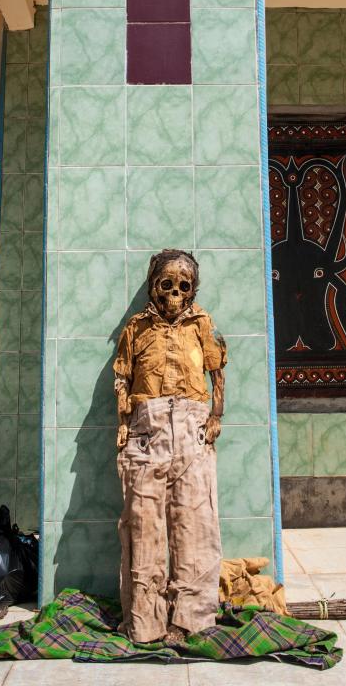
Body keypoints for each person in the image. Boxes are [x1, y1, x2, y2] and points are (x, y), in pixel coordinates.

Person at [114, 249, 226, 645]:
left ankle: (190, 619)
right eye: (167, 285)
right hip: (148, 429)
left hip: (194, 429)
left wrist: (215, 417)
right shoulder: (136, 328)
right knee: (143, 524)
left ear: (193, 290)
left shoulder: (200, 322)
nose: (174, 294)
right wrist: (124, 424)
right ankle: (144, 622)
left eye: (184, 286)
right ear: (153, 286)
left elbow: (216, 372)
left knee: (195, 523)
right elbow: (123, 378)